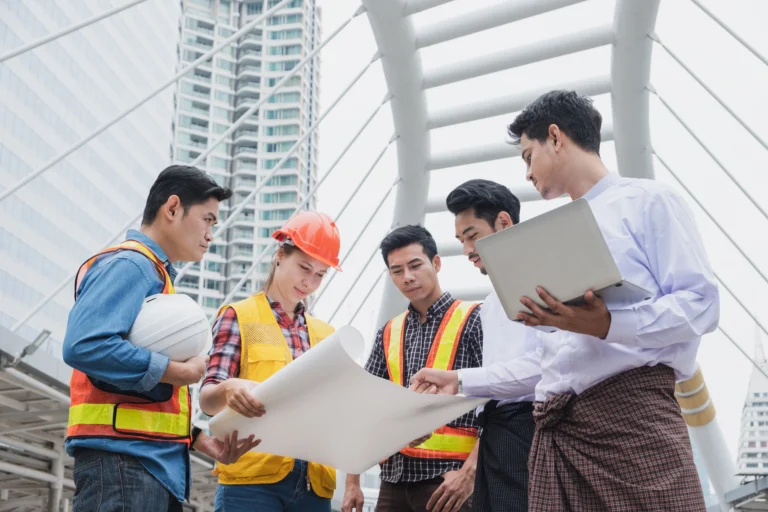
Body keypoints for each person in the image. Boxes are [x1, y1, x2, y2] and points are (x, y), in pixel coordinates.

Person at [416, 90, 720, 511]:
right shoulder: (549, 237)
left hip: (631, 422)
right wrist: (461, 381)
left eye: (527, 156)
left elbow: (701, 305)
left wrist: (607, 324)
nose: (526, 174)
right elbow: (546, 366)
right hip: (555, 434)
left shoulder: (647, 201)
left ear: (555, 137)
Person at [63, 165, 259, 512]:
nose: (211, 233)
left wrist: (198, 440)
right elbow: (84, 345)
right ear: (172, 209)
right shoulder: (133, 265)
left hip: (142, 466)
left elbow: (144, 400)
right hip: (124, 467)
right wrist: (178, 372)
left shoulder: (153, 274)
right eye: (208, 219)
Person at [199, 211, 342, 512]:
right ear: (280, 255)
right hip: (252, 486)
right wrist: (228, 389)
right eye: (304, 267)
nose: (310, 281)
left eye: (320, 274)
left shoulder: (327, 335)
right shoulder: (239, 316)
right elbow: (208, 401)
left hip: (314, 487)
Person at [413, 179, 541, 511]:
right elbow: (495, 381)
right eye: (461, 240)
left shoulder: (543, 279)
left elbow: (546, 368)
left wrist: (457, 380)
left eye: (473, 235)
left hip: (530, 430)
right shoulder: (490, 303)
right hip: (494, 436)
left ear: (503, 222)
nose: (467, 249)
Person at [342, 225, 483, 512]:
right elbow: (364, 406)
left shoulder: (474, 320)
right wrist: (352, 482)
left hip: (447, 484)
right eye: (397, 270)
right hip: (394, 483)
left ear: (437, 263)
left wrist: (470, 474)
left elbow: (501, 404)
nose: (407, 277)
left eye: (415, 265)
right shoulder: (389, 332)